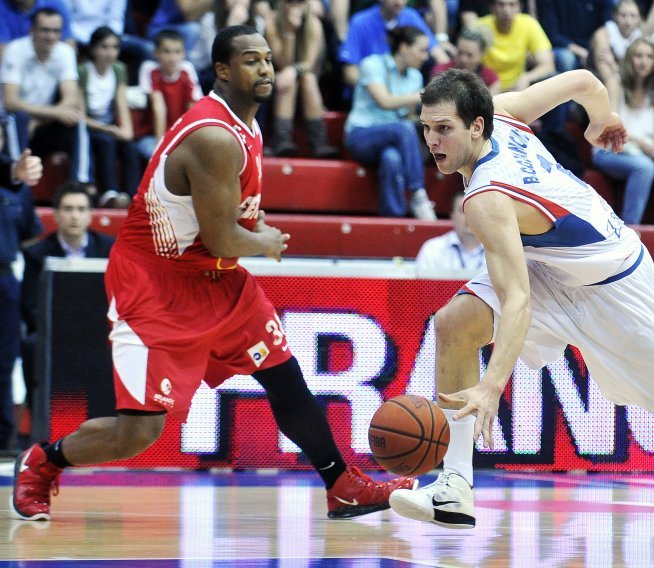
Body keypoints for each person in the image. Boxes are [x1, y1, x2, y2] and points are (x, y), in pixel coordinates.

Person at [10, 24, 415, 523]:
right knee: (139, 432)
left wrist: (253, 225)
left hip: (216, 278)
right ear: (222, 70)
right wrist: (264, 239)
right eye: (251, 60)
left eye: (267, 58)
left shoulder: (247, 125)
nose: (265, 68)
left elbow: (225, 223)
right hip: (156, 283)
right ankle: (43, 461)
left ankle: (342, 485)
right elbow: (225, 238)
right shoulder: (213, 135)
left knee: (285, 381)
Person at [386, 67, 654, 549]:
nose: (432, 140)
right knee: (454, 324)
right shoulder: (505, 111)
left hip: (615, 288)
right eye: (426, 128)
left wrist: (491, 386)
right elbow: (585, 81)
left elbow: (516, 303)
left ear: (477, 125)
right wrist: (602, 120)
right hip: (551, 267)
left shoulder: (485, 197)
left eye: (443, 129)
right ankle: (455, 486)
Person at [19, 181, 114, 443]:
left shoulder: (109, 248)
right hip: (54, 334)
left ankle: (112, 433)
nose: (74, 215)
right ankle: (42, 433)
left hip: (100, 331)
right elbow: (30, 305)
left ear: (90, 214)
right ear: (57, 214)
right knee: (30, 345)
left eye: (81, 209)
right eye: (68, 209)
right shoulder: (37, 253)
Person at [344, 26, 436, 220]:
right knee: (403, 129)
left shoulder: (415, 76)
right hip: (361, 135)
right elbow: (384, 101)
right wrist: (420, 95)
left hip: (392, 139)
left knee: (391, 158)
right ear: (403, 48)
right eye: (421, 50)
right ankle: (418, 193)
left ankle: (392, 220)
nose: (426, 57)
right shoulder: (372, 64)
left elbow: (408, 115)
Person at [592, 37, 654, 228]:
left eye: (649, 56)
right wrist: (643, 144)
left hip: (644, 149)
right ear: (629, 59)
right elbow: (611, 126)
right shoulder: (616, 83)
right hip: (610, 149)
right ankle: (630, 229)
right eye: (638, 56)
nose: (643, 61)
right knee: (644, 167)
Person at [1, 7, 91, 187]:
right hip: (14, 123)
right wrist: (54, 113)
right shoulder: (15, 50)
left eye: (56, 31)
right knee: (18, 118)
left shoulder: (65, 52)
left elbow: (71, 99)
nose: (50, 36)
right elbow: (10, 101)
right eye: (45, 30)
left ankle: (80, 184)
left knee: (76, 120)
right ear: (31, 30)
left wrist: (39, 120)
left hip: (43, 124)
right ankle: (18, 180)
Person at [0, 138, 43, 453]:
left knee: (5, 360)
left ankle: (3, 438)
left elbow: (30, 234)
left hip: (4, 279)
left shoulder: (17, 184)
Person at [263, 0, 339, 158]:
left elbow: (309, 64)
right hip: (276, 85)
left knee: (307, 78)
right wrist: (290, 33)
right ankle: (281, 139)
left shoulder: (314, 25)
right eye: (290, 2)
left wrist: (293, 70)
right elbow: (281, 62)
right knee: (290, 80)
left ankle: (319, 143)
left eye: (300, 2)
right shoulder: (272, 24)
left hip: (306, 85)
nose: (295, 7)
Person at [78, 26, 141, 209]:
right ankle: (109, 193)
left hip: (110, 125)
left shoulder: (118, 69)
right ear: (93, 49)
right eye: (104, 47)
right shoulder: (83, 71)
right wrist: (106, 128)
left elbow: (121, 104)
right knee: (106, 142)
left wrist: (127, 132)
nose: (110, 53)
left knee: (130, 147)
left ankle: (132, 196)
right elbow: (80, 115)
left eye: (114, 47)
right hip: (90, 127)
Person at [135, 29, 203, 160]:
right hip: (153, 134)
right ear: (156, 53)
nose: (172, 57)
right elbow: (158, 106)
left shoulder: (187, 69)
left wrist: (188, 141)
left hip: (181, 134)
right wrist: (161, 145)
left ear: (183, 53)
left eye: (177, 52)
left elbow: (192, 108)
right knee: (157, 155)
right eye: (166, 52)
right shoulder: (149, 69)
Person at [415, 191, 485, 270]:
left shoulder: (499, 250)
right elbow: (423, 282)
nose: (469, 217)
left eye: (475, 211)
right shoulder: (433, 249)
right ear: (452, 216)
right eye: (462, 211)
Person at [430, 28, 501, 97]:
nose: (463, 59)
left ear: (482, 55)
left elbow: (491, 106)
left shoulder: (491, 78)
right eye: (460, 53)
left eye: (469, 55)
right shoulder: (441, 71)